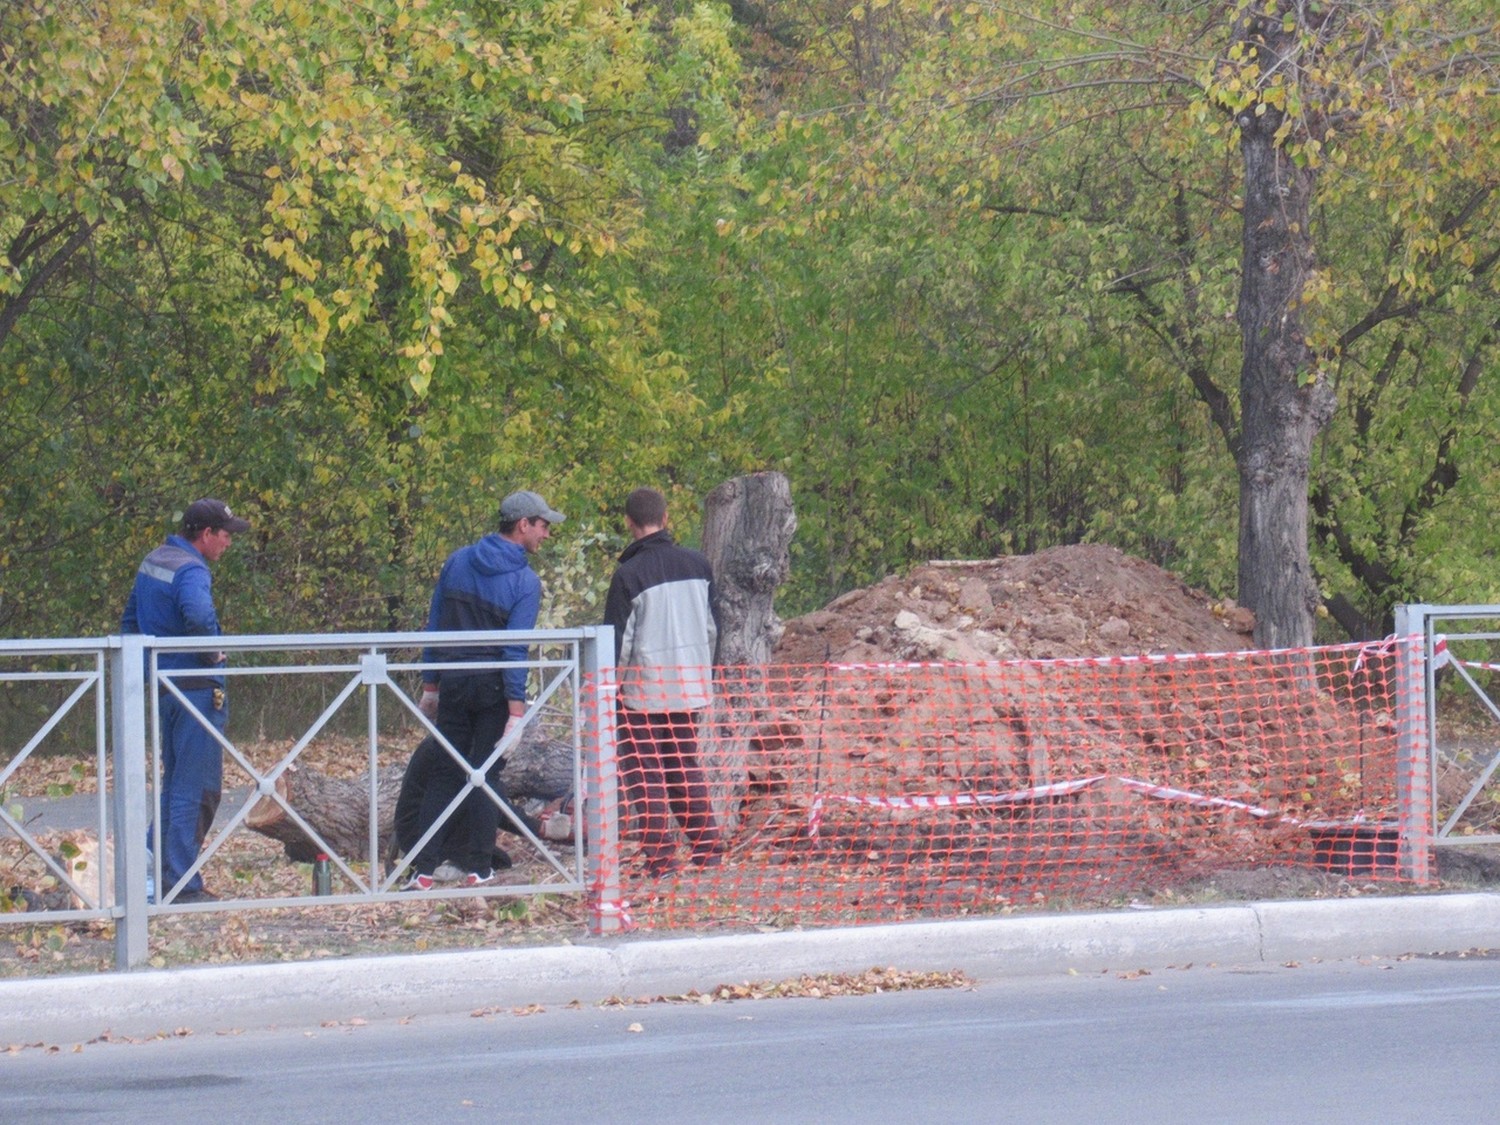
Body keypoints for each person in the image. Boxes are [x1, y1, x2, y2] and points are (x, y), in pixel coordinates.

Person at [397, 489, 564, 890]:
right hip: (492, 690)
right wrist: (516, 711)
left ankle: (422, 870)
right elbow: (514, 649)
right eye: (542, 526)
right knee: (484, 776)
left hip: (454, 681)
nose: (545, 534)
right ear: (523, 525)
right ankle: (478, 869)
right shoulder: (525, 582)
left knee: (445, 773)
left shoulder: (456, 562)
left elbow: (435, 626)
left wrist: (431, 683)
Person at [120, 497, 252, 903]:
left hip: (166, 687)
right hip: (196, 688)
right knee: (198, 789)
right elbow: (197, 615)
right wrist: (213, 652)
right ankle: (179, 883)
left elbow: (129, 621)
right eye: (226, 535)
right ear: (207, 534)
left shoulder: (154, 560)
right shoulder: (192, 568)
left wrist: (140, 672)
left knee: (174, 785)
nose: (229, 543)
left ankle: (152, 873)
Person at [603, 487, 724, 876]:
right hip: (689, 690)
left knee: (646, 776)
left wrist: (610, 692)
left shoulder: (628, 575)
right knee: (684, 767)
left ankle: (662, 861)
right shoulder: (699, 565)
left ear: (629, 523)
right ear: (666, 518)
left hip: (642, 694)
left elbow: (619, 645)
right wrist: (705, 678)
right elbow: (711, 630)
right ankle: (708, 850)